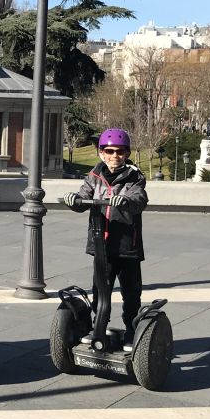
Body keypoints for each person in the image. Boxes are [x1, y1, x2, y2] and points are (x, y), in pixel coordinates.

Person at [63, 128, 148, 352]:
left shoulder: (134, 176)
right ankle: (98, 327)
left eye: (120, 151)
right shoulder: (94, 176)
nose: (114, 155)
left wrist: (125, 200)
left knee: (131, 292)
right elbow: (83, 197)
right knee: (101, 290)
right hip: (101, 245)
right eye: (109, 151)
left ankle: (131, 331)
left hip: (127, 245)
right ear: (101, 153)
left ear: (127, 153)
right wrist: (75, 200)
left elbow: (139, 198)